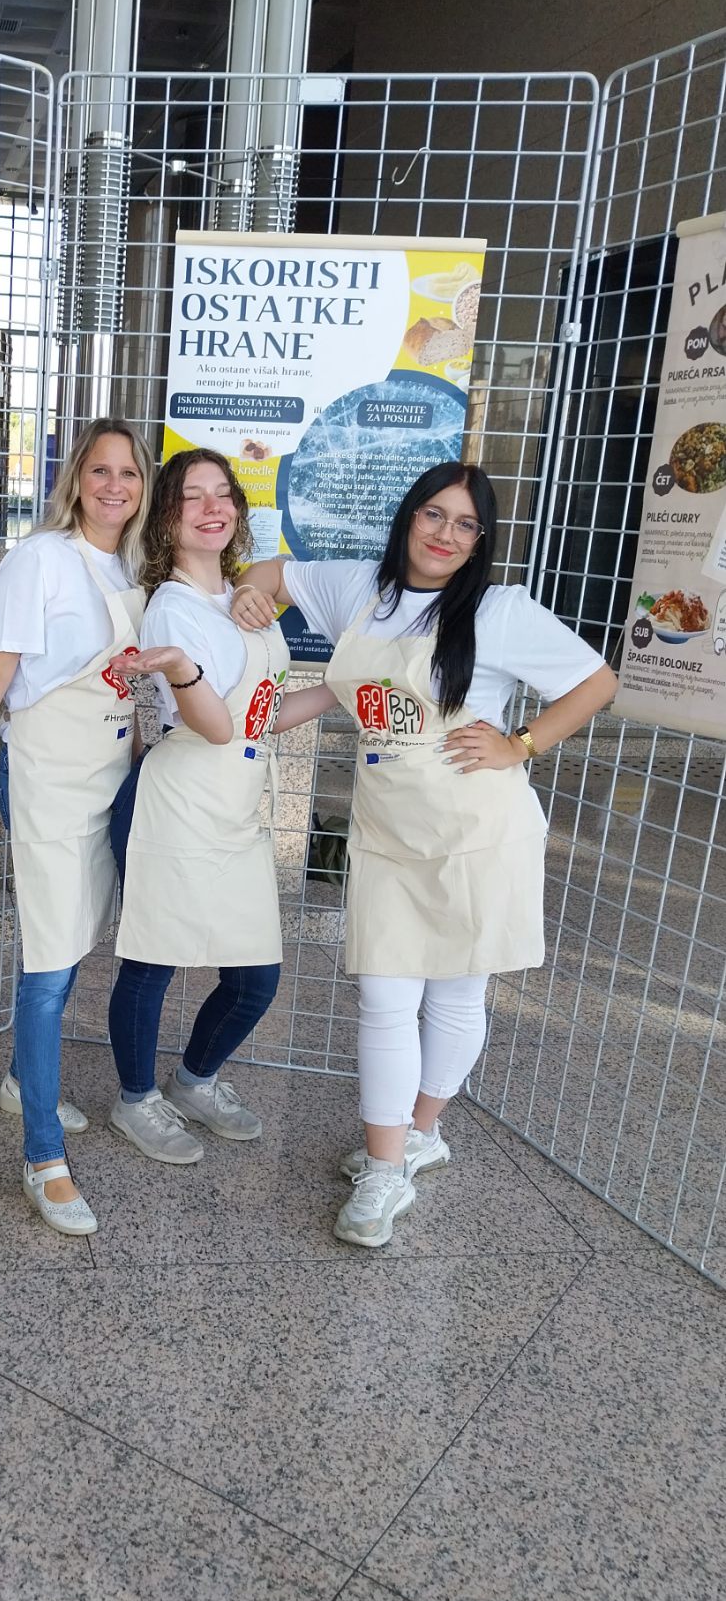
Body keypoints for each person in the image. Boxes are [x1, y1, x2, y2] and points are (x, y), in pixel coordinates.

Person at [232, 461, 618, 1247]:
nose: (446, 534)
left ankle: (413, 1137)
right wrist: (249, 591)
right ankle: (384, 1166)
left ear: (480, 540)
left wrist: (521, 742)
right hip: (385, 829)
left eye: (465, 524)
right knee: (382, 998)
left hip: (478, 833)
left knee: (454, 998)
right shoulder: (360, 591)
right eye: (434, 515)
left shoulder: (499, 611)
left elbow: (597, 681)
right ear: (409, 517)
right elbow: (270, 573)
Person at [0, 418, 154, 1237]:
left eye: (128, 473)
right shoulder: (40, 559)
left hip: (107, 772)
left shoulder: (133, 566)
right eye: (99, 471)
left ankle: (17, 1079)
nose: (114, 486)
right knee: (48, 961)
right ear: (76, 480)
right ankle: (42, 1159)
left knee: (77, 940)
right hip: (45, 776)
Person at [103, 450, 336, 1164]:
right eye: (190, 497)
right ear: (167, 519)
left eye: (222, 495)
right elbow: (213, 723)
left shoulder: (237, 594)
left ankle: (194, 1080)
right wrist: (182, 669)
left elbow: (260, 711)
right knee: (153, 960)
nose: (211, 508)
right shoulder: (174, 605)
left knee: (254, 977)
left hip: (235, 804)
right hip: (179, 800)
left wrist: (342, 686)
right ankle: (136, 1099)